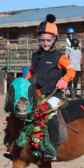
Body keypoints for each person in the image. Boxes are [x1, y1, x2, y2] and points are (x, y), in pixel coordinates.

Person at [25, 14, 75, 160]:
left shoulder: (60, 57)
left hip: (55, 94)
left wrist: (65, 80)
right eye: (42, 40)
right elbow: (31, 71)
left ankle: (51, 149)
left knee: (49, 112)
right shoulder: (35, 56)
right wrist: (24, 82)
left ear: (54, 40)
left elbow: (71, 70)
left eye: (48, 40)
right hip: (38, 93)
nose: (45, 43)